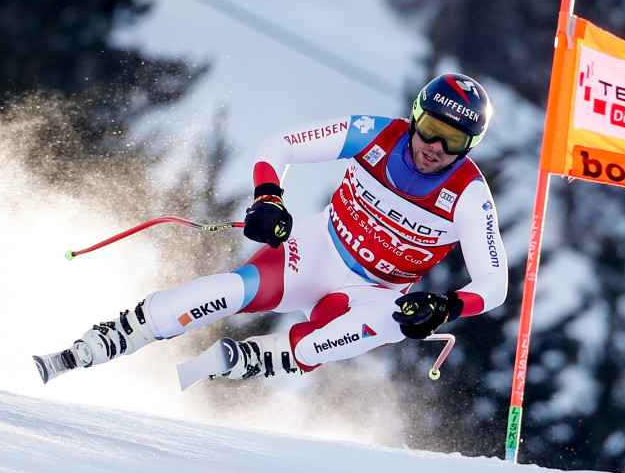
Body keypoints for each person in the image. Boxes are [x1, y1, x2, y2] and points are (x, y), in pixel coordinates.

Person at [33, 72, 508, 389]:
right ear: (415, 116)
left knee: (393, 321)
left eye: (453, 141)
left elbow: (495, 284)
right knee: (220, 294)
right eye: (428, 128)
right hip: (320, 251)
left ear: (470, 146)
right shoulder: (376, 133)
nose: (433, 147)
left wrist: (446, 305)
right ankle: (94, 346)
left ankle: (245, 360)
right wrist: (268, 196)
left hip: (375, 291)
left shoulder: (468, 194)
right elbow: (281, 145)